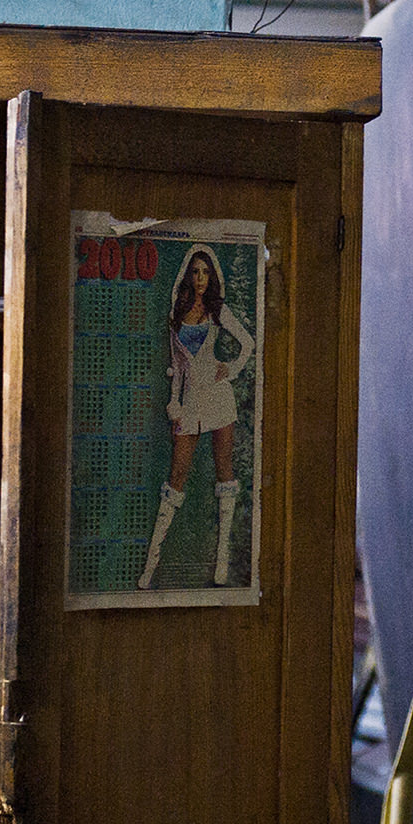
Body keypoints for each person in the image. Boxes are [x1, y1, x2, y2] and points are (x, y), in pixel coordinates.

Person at [139, 246, 256, 589]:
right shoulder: (175, 315)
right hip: (189, 402)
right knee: (176, 477)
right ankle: (150, 567)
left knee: (225, 475)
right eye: (196, 272)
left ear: (212, 276)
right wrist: (174, 404)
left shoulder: (217, 311)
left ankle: (221, 561)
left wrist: (230, 369)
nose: (201, 278)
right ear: (188, 276)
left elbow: (248, 343)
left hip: (218, 398)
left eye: (206, 272)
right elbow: (176, 368)